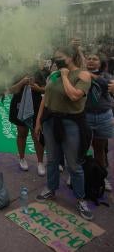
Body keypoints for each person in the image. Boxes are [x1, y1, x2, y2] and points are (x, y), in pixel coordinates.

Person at [35, 46, 93, 220]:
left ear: (70, 57)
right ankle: (51, 189)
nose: (56, 59)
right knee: (52, 159)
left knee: (73, 164)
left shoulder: (83, 75)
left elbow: (74, 95)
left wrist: (65, 75)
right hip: (51, 121)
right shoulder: (54, 74)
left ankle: (81, 199)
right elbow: (45, 98)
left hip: (71, 123)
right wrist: (38, 122)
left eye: (60, 57)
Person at [9, 66, 47, 176]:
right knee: (22, 133)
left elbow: (46, 89)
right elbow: (11, 90)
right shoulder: (16, 72)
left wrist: (37, 88)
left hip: (36, 107)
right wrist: (21, 82)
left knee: (37, 135)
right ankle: (22, 158)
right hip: (19, 106)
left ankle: (40, 163)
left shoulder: (39, 73)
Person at [85, 52, 113, 191]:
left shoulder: (107, 76)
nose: (91, 61)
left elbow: (107, 84)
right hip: (85, 116)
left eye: (94, 59)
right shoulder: (81, 74)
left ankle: (101, 177)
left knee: (99, 149)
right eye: (89, 58)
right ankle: (78, 173)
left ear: (100, 62)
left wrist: (93, 76)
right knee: (82, 147)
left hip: (103, 116)